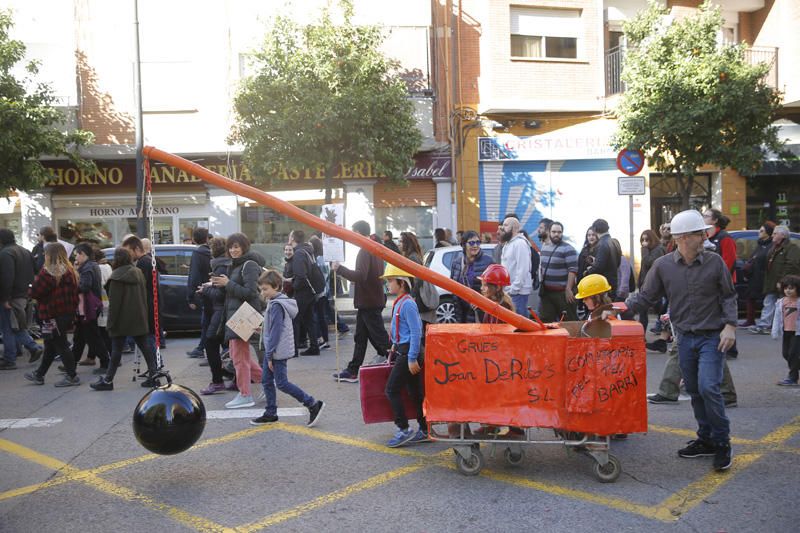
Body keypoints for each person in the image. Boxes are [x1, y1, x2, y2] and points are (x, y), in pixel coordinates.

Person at [626, 209, 737, 472]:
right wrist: (615, 308)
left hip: (712, 336)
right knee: (695, 390)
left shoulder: (714, 262)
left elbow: (729, 295)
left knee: (709, 387)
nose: (704, 238)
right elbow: (645, 298)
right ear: (684, 238)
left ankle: (722, 443)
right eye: (700, 234)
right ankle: (706, 439)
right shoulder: (663, 266)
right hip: (684, 337)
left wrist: (730, 326)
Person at [248, 270, 326, 426]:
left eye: (265, 289)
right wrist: (262, 329)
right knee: (267, 381)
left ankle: (312, 404)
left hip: (277, 351)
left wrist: (269, 355)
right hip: (275, 349)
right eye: (261, 289)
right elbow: (274, 327)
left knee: (281, 383)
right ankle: (271, 413)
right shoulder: (275, 302)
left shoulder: (276, 305)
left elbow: (276, 332)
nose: (262, 293)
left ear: (276, 286)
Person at [89, 248, 160, 391]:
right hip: (139, 316)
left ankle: (108, 380)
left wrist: (111, 323)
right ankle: (154, 376)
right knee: (145, 347)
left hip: (122, 319)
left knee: (116, 350)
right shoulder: (138, 272)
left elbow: (115, 304)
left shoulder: (117, 277)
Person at [332, 220, 390, 383]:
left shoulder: (365, 250)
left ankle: (396, 361)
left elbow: (360, 276)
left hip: (369, 301)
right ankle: (352, 370)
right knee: (361, 337)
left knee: (379, 338)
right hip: (370, 300)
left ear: (358, 233)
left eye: (353, 233)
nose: (351, 237)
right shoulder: (373, 247)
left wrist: (340, 269)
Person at [212, 233, 265, 408]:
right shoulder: (235, 265)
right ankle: (268, 383)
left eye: (237, 246)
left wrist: (228, 284)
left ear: (244, 247)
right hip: (238, 314)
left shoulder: (249, 265)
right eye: (231, 247)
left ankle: (245, 394)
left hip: (246, 314)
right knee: (240, 356)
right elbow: (233, 293)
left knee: (239, 357)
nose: (233, 250)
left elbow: (251, 292)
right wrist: (216, 286)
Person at [380, 264, 427, 447]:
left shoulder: (407, 304)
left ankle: (404, 429)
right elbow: (403, 329)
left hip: (409, 353)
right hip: (404, 350)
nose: (388, 284)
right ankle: (424, 429)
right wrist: (394, 345)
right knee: (415, 393)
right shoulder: (401, 301)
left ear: (402, 283)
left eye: (390, 281)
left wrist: (412, 357)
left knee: (391, 390)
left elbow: (416, 332)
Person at [24, 243, 80, 386]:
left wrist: (30, 290)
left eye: (45, 253)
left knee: (60, 344)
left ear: (50, 255)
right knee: (50, 343)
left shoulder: (48, 271)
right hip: (66, 312)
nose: (44, 255)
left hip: (51, 314)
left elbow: (35, 292)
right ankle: (39, 374)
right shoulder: (70, 270)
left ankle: (72, 376)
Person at [0, 228, 42, 370]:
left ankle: (13, 357)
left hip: (11, 296)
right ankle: (23, 350)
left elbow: (7, 278)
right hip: (24, 294)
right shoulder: (24, 251)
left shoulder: (6, 253)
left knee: (9, 327)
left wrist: (5, 298)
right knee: (15, 325)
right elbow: (35, 272)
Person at [750, 225, 800, 335]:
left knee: (784, 304)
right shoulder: (774, 247)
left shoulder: (792, 248)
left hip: (785, 283)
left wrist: (783, 281)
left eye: (775, 233)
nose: (772, 235)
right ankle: (764, 325)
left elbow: (792, 265)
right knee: (769, 302)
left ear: (783, 235)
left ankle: (785, 326)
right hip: (772, 282)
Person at [199, 237, 232, 395]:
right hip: (228, 310)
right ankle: (235, 377)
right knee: (235, 347)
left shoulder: (220, 267)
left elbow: (220, 295)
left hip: (221, 311)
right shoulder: (228, 264)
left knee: (210, 341)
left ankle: (218, 380)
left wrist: (205, 290)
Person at [72, 243, 110, 374]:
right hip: (90, 306)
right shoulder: (92, 265)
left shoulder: (87, 268)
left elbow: (85, 286)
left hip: (88, 307)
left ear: (83, 254)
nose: (76, 257)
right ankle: (71, 362)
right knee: (80, 336)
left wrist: (73, 286)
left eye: (77, 254)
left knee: (92, 337)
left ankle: (106, 362)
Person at [121, 236, 161, 356]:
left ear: (137, 249)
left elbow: (140, 286)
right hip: (150, 304)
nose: (128, 255)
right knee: (149, 339)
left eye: (129, 251)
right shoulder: (147, 261)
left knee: (148, 340)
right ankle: (155, 367)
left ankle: (156, 367)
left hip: (147, 306)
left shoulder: (143, 263)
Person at [449, 230, 494, 323]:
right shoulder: (456, 263)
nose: (475, 245)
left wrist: (482, 302)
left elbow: (494, 288)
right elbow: (453, 287)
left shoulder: (488, 261)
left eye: (478, 242)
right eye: (472, 243)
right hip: (461, 312)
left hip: (480, 313)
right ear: (464, 244)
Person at [538, 222, 578, 322]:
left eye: (559, 232)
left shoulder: (568, 249)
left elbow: (572, 270)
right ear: (549, 232)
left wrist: (568, 289)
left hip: (563, 294)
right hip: (547, 293)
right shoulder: (544, 247)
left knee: (569, 322)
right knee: (546, 322)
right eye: (554, 232)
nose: (556, 234)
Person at [289, 230, 321, 355]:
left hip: (303, 291)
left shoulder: (298, 253)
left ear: (293, 238)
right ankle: (314, 346)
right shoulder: (308, 251)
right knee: (309, 319)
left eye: (290, 237)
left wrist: (293, 286)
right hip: (311, 290)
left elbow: (301, 275)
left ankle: (294, 349)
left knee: (295, 319)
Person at [739, 222, 775, 327]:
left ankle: (767, 322)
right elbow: (753, 257)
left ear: (768, 233)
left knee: (767, 299)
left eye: (762, 231)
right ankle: (750, 320)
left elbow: (765, 259)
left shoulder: (770, 245)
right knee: (750, 297)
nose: (759, 232)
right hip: (754, 275)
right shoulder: (760, 244)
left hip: (763, 275)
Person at [399, 231, 436, 328]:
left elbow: (418, 279)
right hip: (416, 295)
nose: (399, 244)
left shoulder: (412, 257)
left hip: (418, 296)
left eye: (401, 241)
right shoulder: (412, 256)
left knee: (419, 325)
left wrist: (412, 295)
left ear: (407, 243)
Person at [186, 227, 212, 359]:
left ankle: (203, 349)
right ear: (207, 239)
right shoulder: (211, 252)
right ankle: (201, 347)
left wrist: (190, 297)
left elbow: (194, 276)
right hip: (215, 291)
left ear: (194, 239)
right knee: (208, 322)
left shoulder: (197, 254)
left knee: (206, 322)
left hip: (204, 292)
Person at [499, 216, 532, 317]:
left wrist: (514, 289)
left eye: (505, 225)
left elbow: (523, 269)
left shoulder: (520, 243)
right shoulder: (508, 244)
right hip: (510, 291)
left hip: (518, 292)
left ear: (514, 228)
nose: (502, 228)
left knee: (519, 323)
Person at [771, 275, 800, 386]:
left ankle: (792, 378)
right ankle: (795, 368)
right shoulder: (781, 302)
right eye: (786, 288)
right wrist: (775, 331)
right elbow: (777, 317)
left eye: (791, 288)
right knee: (785, 354)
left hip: (797, 333)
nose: (788, 290)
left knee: (793, 354)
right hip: (786, 331)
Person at [637, 229, 665, 331]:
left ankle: (664, 331)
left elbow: (649, 262)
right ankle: (641, 335)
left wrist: (644, 250)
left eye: (647, 239)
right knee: (643, 312)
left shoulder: (658, 249)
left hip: (655, 286)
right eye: (642, 239)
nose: (644, 242)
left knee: (660, 311)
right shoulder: (649, 250)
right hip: (645, 286)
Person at [586, 219, 620, 300]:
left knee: (603, 310)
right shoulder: (614, 242)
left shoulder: (602, 243)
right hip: (613, 282)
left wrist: (587, 272)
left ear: (595, 230)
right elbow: (618, 262)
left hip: (604, 285)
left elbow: (599, 267)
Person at [309, 235, 331, 350]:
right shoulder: (325, 258)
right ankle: (326, 340)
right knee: (322, 316)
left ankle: (321, 339)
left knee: (317, 316)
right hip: (325, 291)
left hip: (318, 291)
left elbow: (318, 276)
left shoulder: (317, 259)